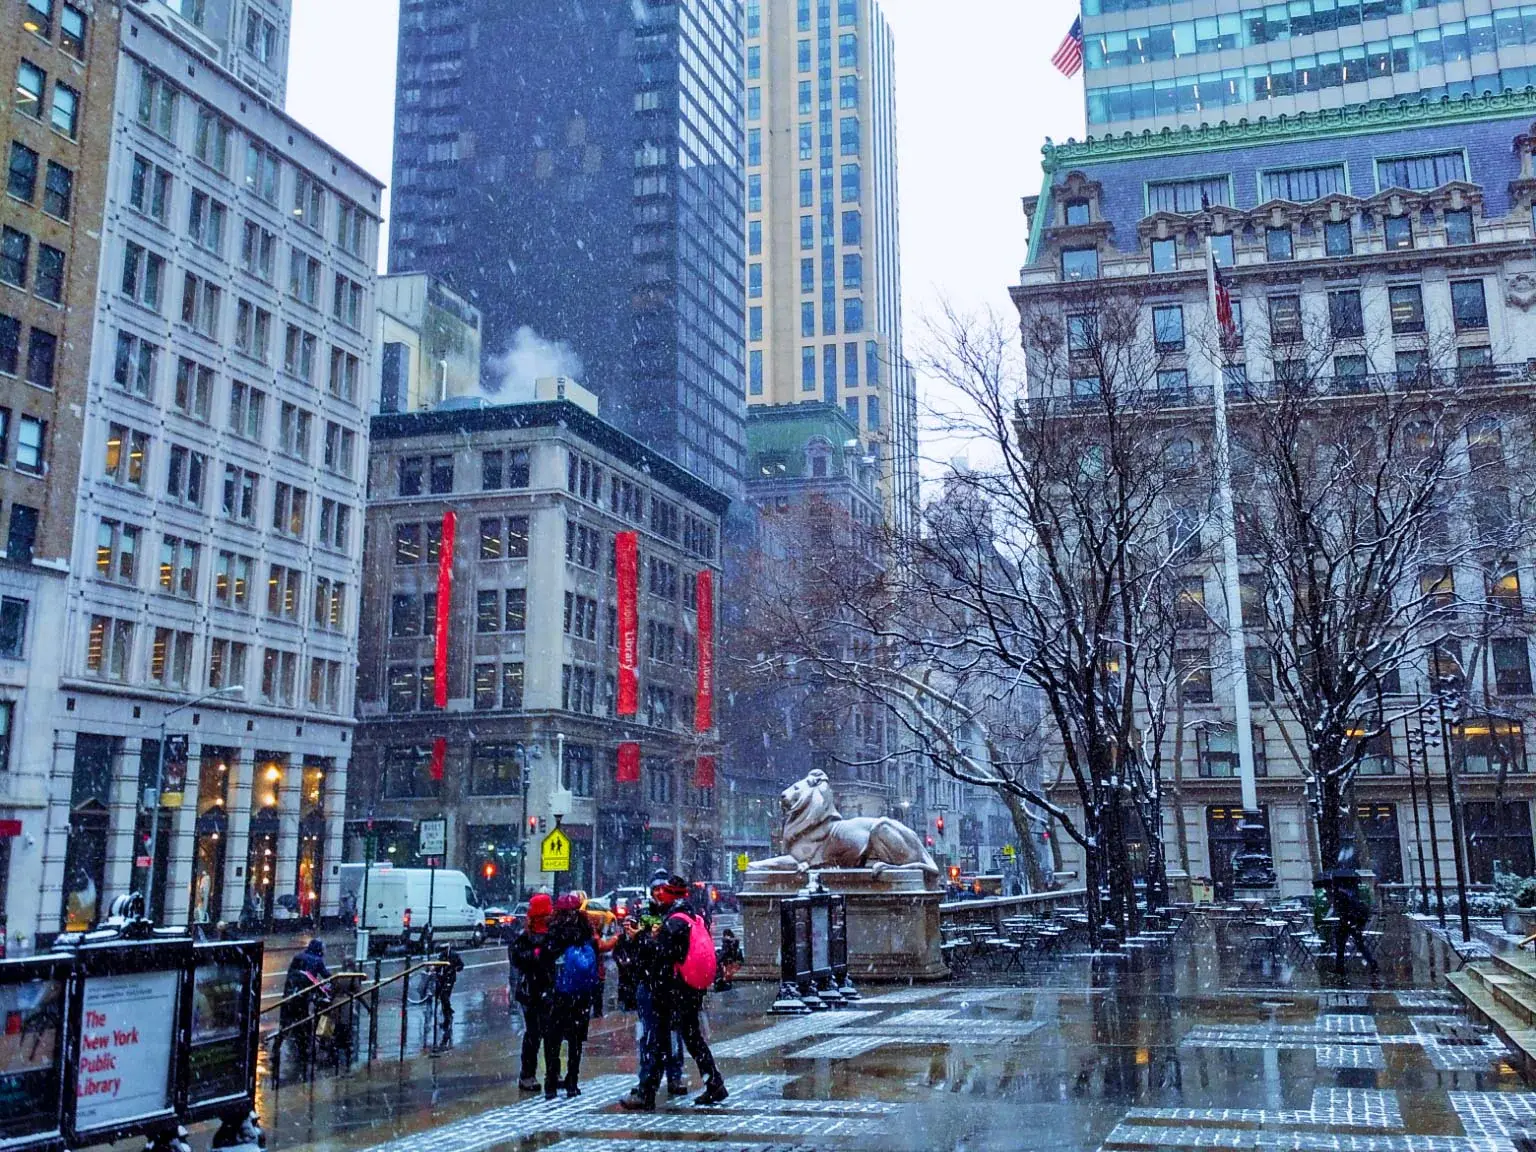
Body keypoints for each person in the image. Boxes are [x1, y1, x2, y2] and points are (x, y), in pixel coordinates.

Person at [621, 874, 727, 1111]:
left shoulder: (674, 922)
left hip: (672, 989)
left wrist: (640, 937)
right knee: (691, 1037)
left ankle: (646, 1093)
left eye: (666, 892)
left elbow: (661, 953)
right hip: (689, 989)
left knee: (657, 1040)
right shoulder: (691, 916)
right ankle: (714, 1083)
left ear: (672, 895)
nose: (661, 896)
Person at [623, 871, 687, 1096]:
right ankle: (647, 1078)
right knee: (649, 1034)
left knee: (671, 1032)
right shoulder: (644, 913)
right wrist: (634, 938)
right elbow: (635, 950)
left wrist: (647, 938)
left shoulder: (674, 915)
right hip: (649, 981)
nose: (660, 893)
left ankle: (674, 1076)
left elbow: (669, 947)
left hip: (669, 982)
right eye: (656, 889)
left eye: (663, 888)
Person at [543, 894, 598, 1099]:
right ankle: (572, 1082)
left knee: (553, 1039)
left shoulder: (554, 932)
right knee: (575, 1040)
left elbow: (545, 960)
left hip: (558, 993)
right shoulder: (585, 933)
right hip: (580, 995)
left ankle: (550, 1082)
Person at [510, 892, 556, 1091]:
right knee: (534, 1033)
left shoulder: (553, 934)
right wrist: (536, 955)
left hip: (548, 989)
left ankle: (552, 1072)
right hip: (532, 991)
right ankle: (527, 1074)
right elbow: (518, 960)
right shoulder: (525, 937)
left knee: (552, 1033)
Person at [278, 938, 331, 1074]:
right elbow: (325, 976)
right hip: (303, 996)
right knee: (305, 1022)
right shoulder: (317, 961)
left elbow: (290, 975)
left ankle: (277, 1047)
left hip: (291, 995)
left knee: (287, 1023)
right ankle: (305, 1050)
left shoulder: (298, 957)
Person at [1327, 855, 1378, 975]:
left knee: (1341, 946)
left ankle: (1340, 968)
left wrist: (1335, 904)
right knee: (1359, 944)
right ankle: (1371, 963)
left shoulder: (1339, 893)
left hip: (1346, 921)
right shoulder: (1353, 889)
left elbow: (1341, 909)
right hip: (1354, 921)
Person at [434, 941, 464, 1029]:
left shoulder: (453, 955)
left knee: (444, 996)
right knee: (441, 995)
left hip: (449, 978)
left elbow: (461, 965)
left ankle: (447, 1017)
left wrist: (454, 969)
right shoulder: (442, 956)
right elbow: (438, 966)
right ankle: (448, 1011)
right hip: (442, 978)